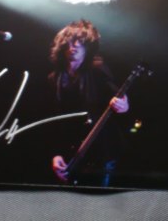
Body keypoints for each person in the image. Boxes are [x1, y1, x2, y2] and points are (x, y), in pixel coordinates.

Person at [48, 20, 129, 187]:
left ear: (88, 47)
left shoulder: (97, 71)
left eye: (81, 42)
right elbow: (53, 121)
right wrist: (56, 154)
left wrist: (123, 105)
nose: (75, 46)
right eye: (71, 41)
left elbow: (118, 96)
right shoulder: (54, 79)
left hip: (103, 153)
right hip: (73, 154)